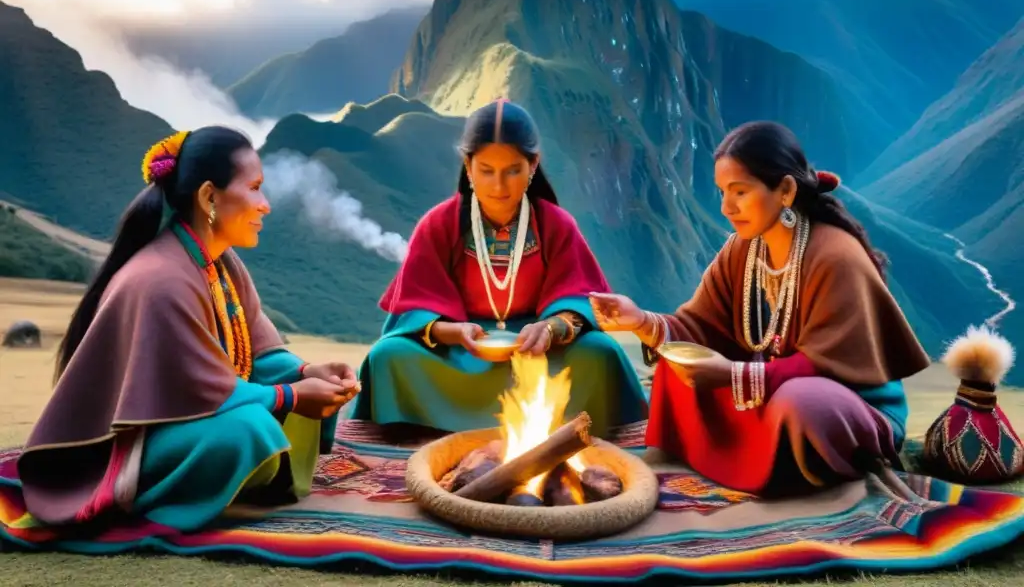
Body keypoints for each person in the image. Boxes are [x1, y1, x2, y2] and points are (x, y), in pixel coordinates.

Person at [17, 127, 360, 532]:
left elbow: (256, 353)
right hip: (132, 444)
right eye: (254, 188)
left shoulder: (221, 263)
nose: (265, 205)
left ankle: (244, 476)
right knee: (249, 430)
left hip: (193, 415)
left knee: (276, 409)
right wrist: (290, 395)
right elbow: (197, 389)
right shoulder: (161, 279)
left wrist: (305, 374)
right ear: (209, 197)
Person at [590, 121, 932, 498]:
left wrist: (734, 375)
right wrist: (638, 320)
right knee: (678, 367)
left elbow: (824, 366)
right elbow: (699, 326)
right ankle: (743, 459)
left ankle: (789, 469)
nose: (726, 208)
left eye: (740, 192)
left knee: (800, 403)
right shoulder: (744, 248)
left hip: (848, 405)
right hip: (770, 383)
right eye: (722, 192)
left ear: (785, 190)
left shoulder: (836, 256)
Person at [351, 99, 648, 437]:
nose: (498, 186)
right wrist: (456, 332)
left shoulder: (556, 225)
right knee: (388, 355)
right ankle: (438, 424)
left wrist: (552, 329)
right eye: (486, 170)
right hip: (459, 354)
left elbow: (579, 296)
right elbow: (414, 307)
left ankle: (552, 426)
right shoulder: (439, 223)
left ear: (533, 165)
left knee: (602, 352)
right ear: (468, 165)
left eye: (512, 171)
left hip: (538, 352)